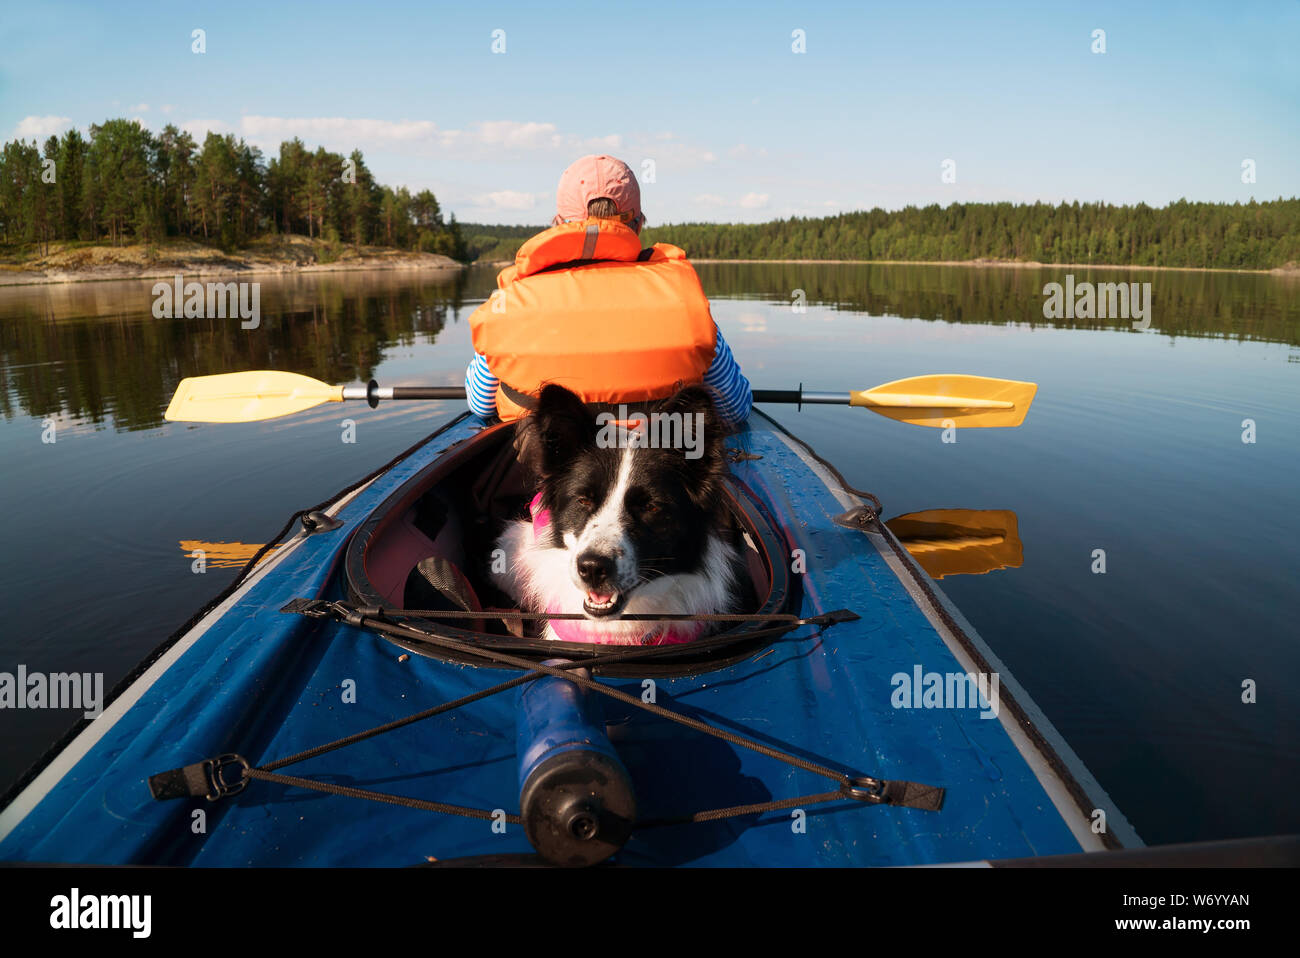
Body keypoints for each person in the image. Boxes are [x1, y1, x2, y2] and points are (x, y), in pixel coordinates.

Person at [465, 155, 752, 425]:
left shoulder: (513, 299)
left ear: (558, 225)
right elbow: (734, 409)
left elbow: (480, 403)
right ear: (638, 225)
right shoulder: (680, 297)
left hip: (547, 463)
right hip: (656, 464)